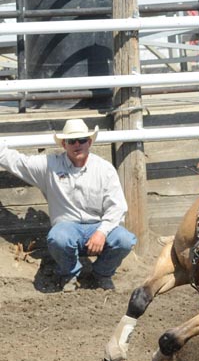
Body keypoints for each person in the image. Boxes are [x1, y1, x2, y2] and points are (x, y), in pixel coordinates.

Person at [0, 119, 137, 292]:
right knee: (58, 238)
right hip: (67, 227)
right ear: (64, 144)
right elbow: (17, 161)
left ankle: (102, 273)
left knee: (125, 240)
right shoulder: (50, 165)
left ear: (90, 142)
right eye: (72, 141)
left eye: (82, 140)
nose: (77, 144)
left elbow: (117, 207)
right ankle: (70, 273)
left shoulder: (104, 169)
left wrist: (101, 232)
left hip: (98, 225)